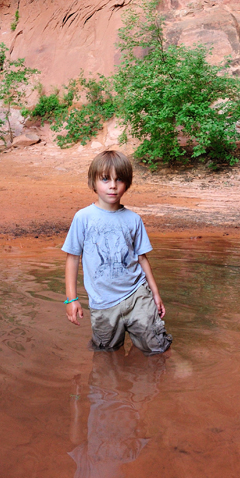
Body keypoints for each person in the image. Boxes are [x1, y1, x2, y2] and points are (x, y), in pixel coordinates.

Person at [62, 150, 172, 355]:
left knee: (156, 347)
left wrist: (155, 294)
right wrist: (72, 299)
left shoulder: (133, 219)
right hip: (103, 302)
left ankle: (164, 375)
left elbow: (142, 259)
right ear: (93, 183)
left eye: (119, 179)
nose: (112, 185)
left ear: (127, 184)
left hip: (137, 294)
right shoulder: (83, 218)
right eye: (105, 179)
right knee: (107, 354)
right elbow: (72, 258)